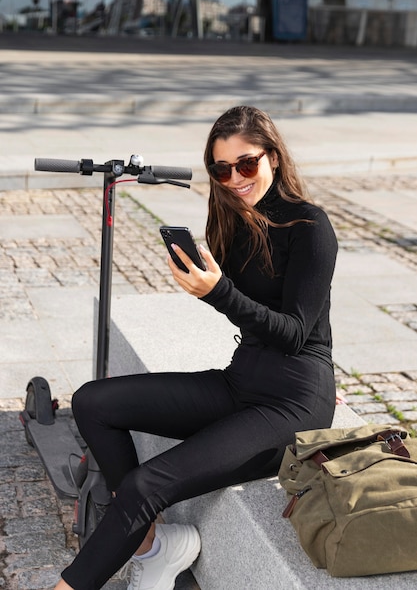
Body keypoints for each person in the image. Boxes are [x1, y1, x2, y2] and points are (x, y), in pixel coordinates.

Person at [54, 105, 338, 590]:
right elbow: (248, 314)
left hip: (293, 404)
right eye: (221, 169)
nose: (234, 179)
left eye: (246, 164)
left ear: (273, 157)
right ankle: (154, 548)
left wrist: (219, 292)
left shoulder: (311, 228)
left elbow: (292, 332)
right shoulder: (233, 222)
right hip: (241, 381)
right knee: (92, 402)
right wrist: (210, 285)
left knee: (147, 485)